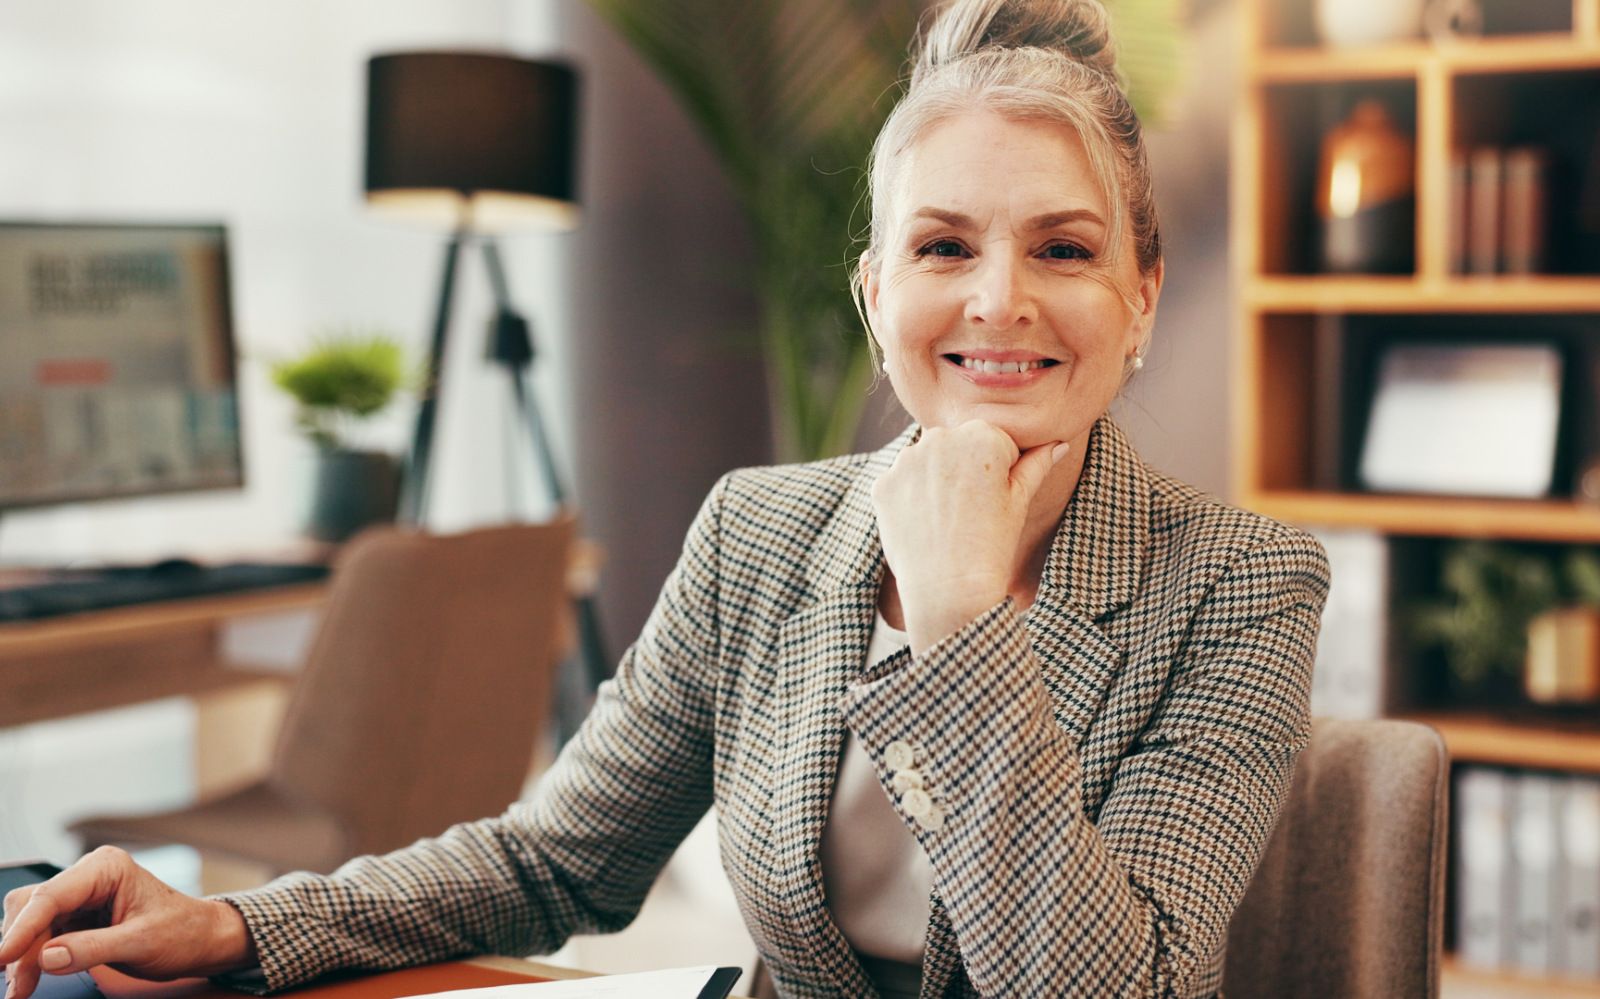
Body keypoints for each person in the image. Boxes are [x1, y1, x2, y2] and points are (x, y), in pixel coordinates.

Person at [0, 1, 1329, 996]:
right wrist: (235, 924)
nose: (997, 299)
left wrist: (964, 624)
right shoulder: (759, 531)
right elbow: (553, 862)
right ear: (878, 301)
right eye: (942, 246)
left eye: (1064, 248)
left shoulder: (1242, 581)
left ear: (1142, 298)